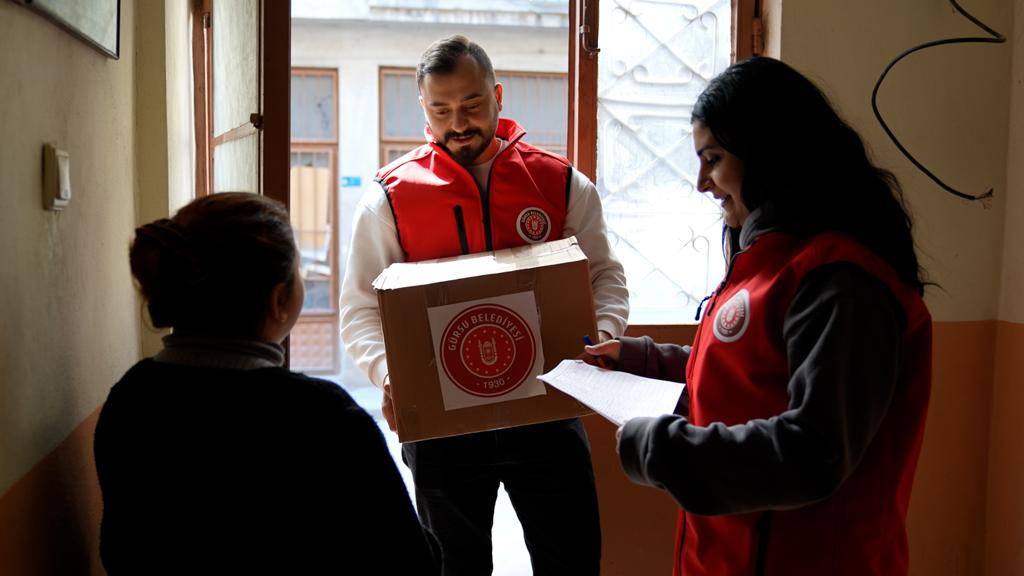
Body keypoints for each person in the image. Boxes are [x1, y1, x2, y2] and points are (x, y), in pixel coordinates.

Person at [583, 57, 932, 575]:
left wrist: (661, 448)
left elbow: (813, 452)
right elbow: (749, 369)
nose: (701, 183)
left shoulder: (842, 282)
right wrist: (643, 360)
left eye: (713, 158)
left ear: (768, 151)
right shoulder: (772, 261)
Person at [339, 35, 628, 575]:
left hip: (547, 409)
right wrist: (390, 375)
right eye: (441, 110)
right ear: (423, 108)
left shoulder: (560, 183)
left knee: (571, 560)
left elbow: (604, 277)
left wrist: (600, 340)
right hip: (442, 427)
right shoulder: (389, 197)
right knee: (454, 567)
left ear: (498, 95)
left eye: (472, 105)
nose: (458, 123)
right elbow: (359, 310)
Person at [94, 193, 439, 574]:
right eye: (298, 272)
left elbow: (120, 549)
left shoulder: (131, 397)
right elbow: (411, 561)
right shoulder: (320, 416)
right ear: (279, 301)